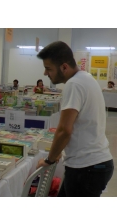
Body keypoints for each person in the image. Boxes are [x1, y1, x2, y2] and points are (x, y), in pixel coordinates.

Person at [36, 41, 114, 197]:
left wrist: (50, 159)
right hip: (94, 164)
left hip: (86, 168)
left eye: (48, 68)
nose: (45, 74)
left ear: (64, 67)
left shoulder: (74, 84)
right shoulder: (85, 78)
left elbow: (65, 130)